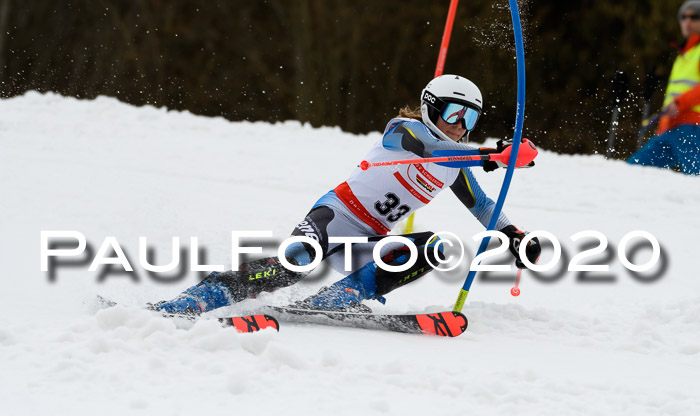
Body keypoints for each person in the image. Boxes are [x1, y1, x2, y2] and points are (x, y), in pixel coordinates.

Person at [154, 74, 542, 316]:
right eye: (456, 114)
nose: (462, 126)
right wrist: (493, 155)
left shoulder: (457, 163)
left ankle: (338, 298)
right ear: (431, 108)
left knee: (434, 248)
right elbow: (427, 149)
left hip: (368, 239)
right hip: (335, 216)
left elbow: (483, 206)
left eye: (471, 118)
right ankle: (209, 293)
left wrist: (514, 234)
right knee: (295, 262)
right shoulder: (403, 130)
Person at [627, 0, 700, 175]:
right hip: (672, 128)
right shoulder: (685, 55)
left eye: (694, 17)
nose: (687, 22)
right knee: (630, 171)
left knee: (695, 179)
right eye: (683, 17)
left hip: (693, 127)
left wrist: (679, 103)